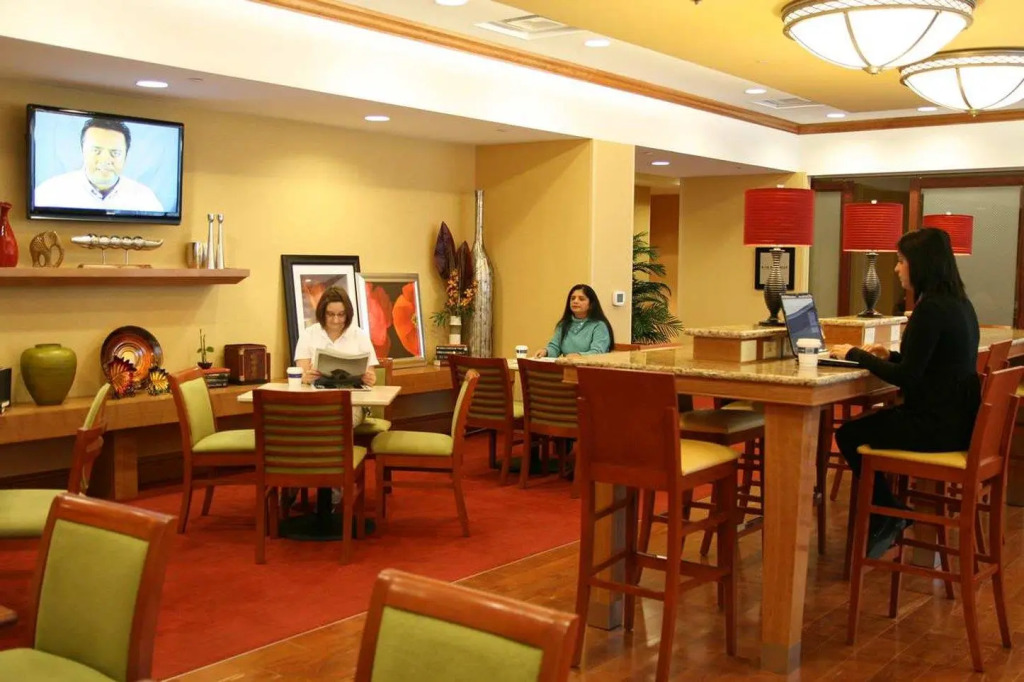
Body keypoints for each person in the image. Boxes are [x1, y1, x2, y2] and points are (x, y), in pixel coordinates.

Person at [831, 228, 980, 559]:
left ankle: (888, 512)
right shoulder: (959, 303)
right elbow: (929, 366)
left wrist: (856, 355)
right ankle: (889, 512)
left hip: (935, 427)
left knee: (849, 433)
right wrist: (889, 355)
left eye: (901, 261)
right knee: (868, 424)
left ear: (921, 263)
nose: (897, 268)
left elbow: (908, 379)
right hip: (957, 422)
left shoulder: (930, 309)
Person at [34, 118, 165, 212]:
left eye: (115, 153)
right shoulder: (49, 192)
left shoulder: (145, 199)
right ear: (82, 151)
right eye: (96, 151)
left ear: (126, 155)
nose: (105, 159)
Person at [293, 286, 378, 428]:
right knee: (314, 417)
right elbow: (301, 376)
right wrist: (306, 377)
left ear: (348, 314)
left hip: (353, 402)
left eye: (341, 314)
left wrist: (370, 379)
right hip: (317, 401)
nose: (336, 320)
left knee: (341, 416)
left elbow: (371, 375)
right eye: (330, 314)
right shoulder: (309, 335)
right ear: (322, 313)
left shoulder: (359, 336)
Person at [532, 284, 614, 358]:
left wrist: (579, 356)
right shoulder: (564, 324)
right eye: (572, 298)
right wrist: (546, 352)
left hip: (589, 368)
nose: (575, 301)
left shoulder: (599, 326)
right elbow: (555, 347)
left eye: (581, 299)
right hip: (566, 368)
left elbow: (598, 352)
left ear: (591, 304)